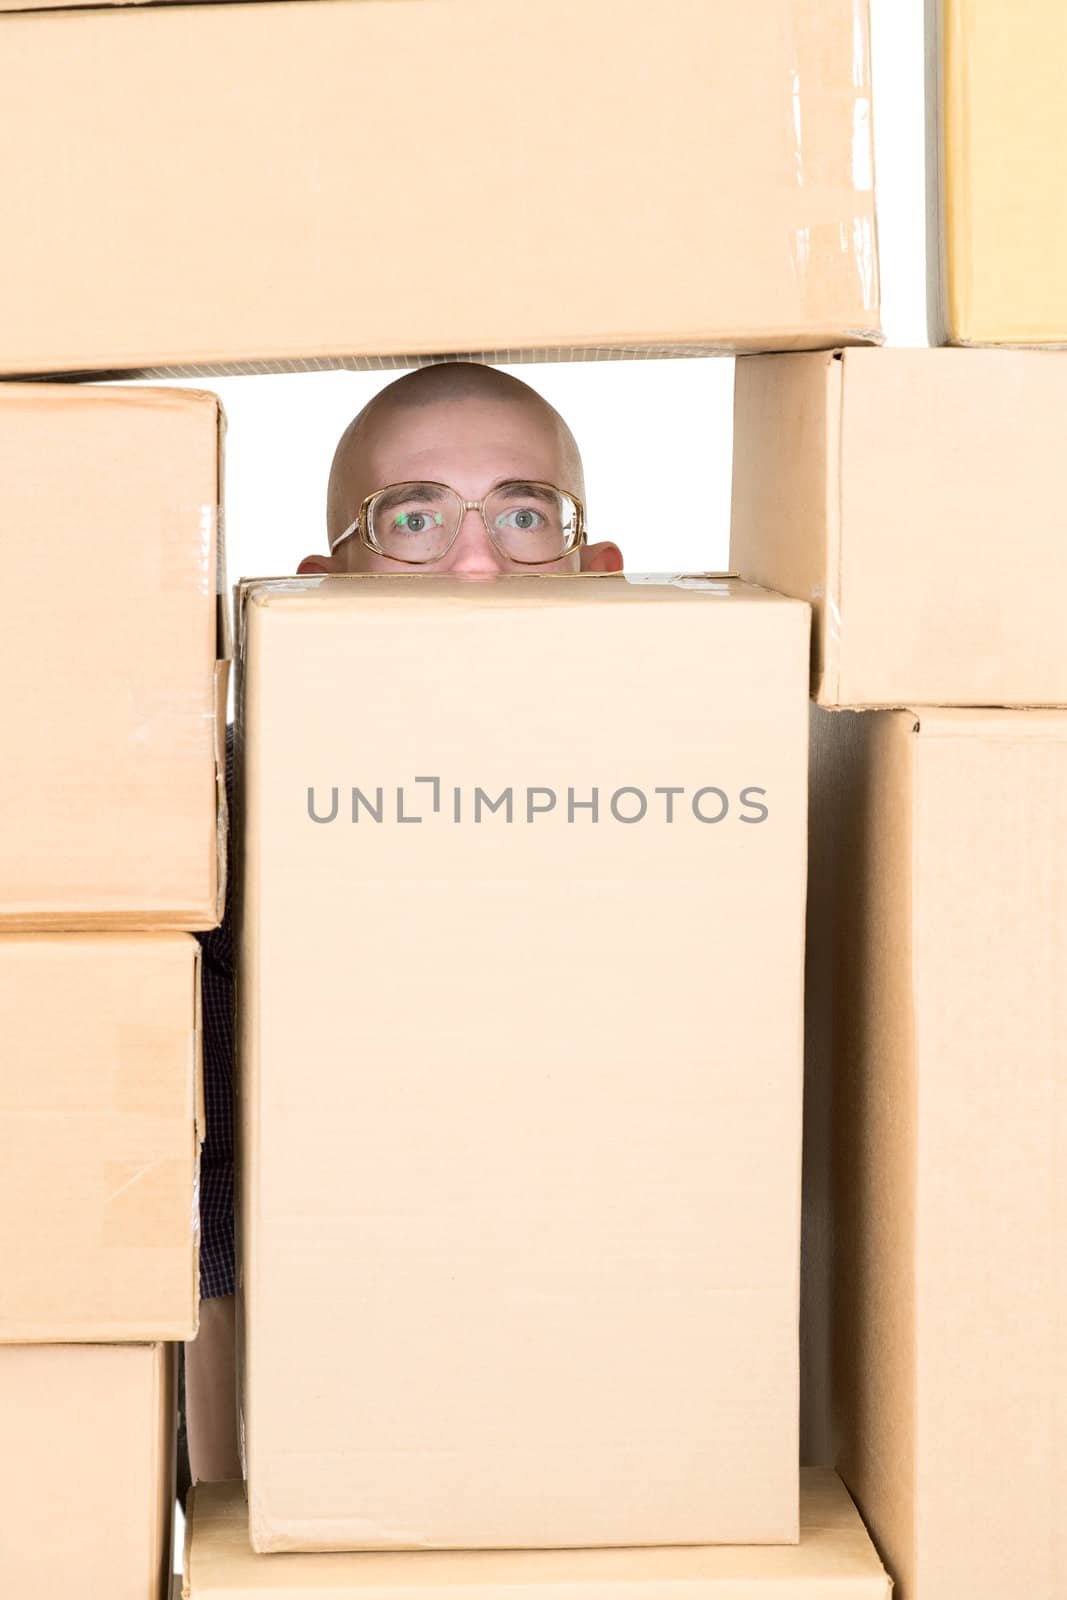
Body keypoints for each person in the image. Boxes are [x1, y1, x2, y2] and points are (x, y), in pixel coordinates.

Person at [179, 361, 624, 1496]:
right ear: (322, 580)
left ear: (597, 570)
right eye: (414, 516)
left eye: (524, 513)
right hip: (306, 1381)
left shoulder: (707, 809)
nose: (476, 560)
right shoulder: (209, 834)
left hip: (608, 1364)